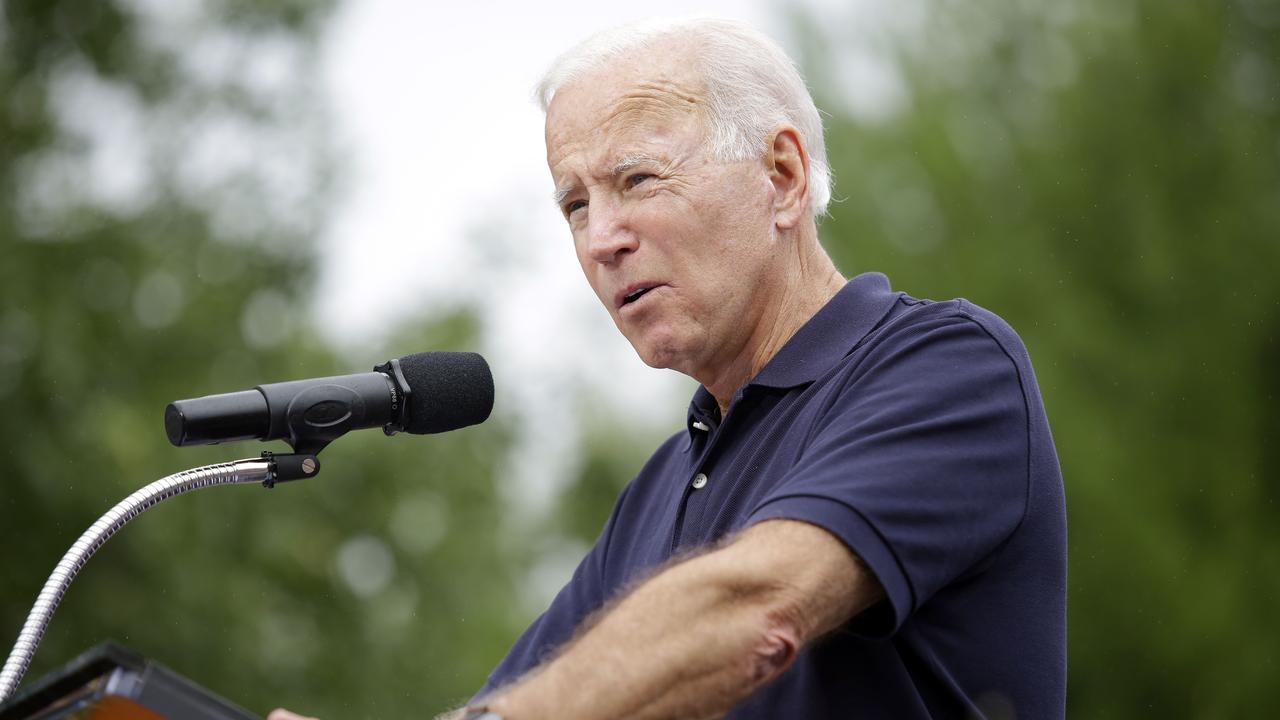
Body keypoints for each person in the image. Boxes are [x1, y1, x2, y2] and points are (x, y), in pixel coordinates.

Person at [274, 16, 1065, 720]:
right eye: (576, 205)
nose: (600, 240)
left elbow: (753, 609)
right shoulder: (661, 486)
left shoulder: (948, 367)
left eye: (638, 180)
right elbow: (542, 698)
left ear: (781, 177)